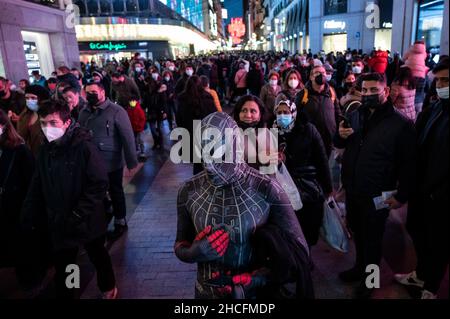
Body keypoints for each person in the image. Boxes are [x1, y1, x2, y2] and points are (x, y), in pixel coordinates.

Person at [174, 112, 310, 299]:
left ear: (235, 147)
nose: (211, 165)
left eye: (220, 153)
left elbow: (300, 253)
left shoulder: (267, 188)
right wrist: (193, 252)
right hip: (204, 293)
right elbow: (180, 244)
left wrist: (257, 279)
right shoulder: (188, 191)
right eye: (205, 153)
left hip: (253, 296)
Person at [21, 100, 117, 299]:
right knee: (65, 263)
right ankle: (68, 292)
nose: (48, 128)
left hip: (86, 218)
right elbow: (37, 184)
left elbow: (99, 183)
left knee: (97, 254)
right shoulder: (45, 151)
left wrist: (78, 212)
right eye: (44, 123)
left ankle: (107, 285)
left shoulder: (84, 147)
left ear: (66, 123)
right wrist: (28, 213)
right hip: (59, 220)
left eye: (53, 123)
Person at [334, 73, 416, 299]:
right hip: (353, 188)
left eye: (373, 90)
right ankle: (359, 268)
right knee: (358, 233)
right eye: (365, 90)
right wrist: (340, 136)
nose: (368, 94)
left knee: (373, 240)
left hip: (378, 193)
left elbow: (409, 165)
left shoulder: (401, 124)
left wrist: (402, 195)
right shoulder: (355, 114)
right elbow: (339, 141)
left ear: (386, 91)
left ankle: (370, 280)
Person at [395, 60, 449, 299]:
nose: (441, 85)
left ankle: (431, 288)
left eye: (447, 81)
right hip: (421, 189)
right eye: (438, 80)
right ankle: (421, 274)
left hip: (442, 196)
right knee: (416, 230)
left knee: (438, 243)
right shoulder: (436, 108)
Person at [78, 82, 138, 241]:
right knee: (96, 193)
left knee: (115, 191)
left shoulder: (116, 111)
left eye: (94, 92)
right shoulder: (84, 112)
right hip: (89, 162)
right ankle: (103, 218)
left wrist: (132, 161)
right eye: (88, 92)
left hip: (111, 161)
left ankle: (120, 220)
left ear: (102, 92)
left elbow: (127, 137)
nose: (90, 95)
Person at [273, 100, 332, 248]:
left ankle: (306, 257)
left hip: (307, 187)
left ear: (293, 113)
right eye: (279, 113)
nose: (282, 116)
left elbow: (322, 159)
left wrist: (328, 187)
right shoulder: (271, 131)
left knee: (308, 229)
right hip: (283, 189)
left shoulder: (308, 130)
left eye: (286, 112)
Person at [0, 110, 37, 288]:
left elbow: (31, 183)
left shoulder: (19, 150)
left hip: (15, 209)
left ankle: (29, 280)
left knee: (21, 249)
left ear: (3, 126)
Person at [295, 65, 340, 158]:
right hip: (311, 139)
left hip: (329, 139)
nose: (321, 75)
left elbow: (337, 112)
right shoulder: (303, 94)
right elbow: (296, 116)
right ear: (311, 77)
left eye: (323, 73)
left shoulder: (331, 92)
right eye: (317, 73)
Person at [176, 75, 217, 175]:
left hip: (190, 135)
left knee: (197, 163)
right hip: (206, 134)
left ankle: (198, 184)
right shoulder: (208, 97)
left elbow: (179, 118)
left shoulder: (182, 99)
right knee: (207, 162)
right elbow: (214, 116)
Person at [17, 85, 50, 157]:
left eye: (33, 98)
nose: (29, 101)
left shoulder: (49, 115)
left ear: (42, 98)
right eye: (27, 98)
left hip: (44, 156)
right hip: (27, 155)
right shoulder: (25, 113)